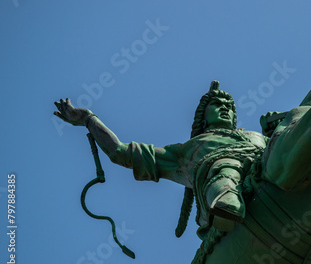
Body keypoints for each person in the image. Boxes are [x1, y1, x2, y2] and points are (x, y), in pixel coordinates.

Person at [54, 81, 267, 238]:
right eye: (218, 104)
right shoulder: (185, 152)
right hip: (221, 179)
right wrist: (87, 119)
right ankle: (226, 199)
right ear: (204, 115)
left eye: (229, 107)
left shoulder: (255, 137)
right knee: (224, 167)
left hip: (267, 168)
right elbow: (119, 152)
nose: (225, 108)